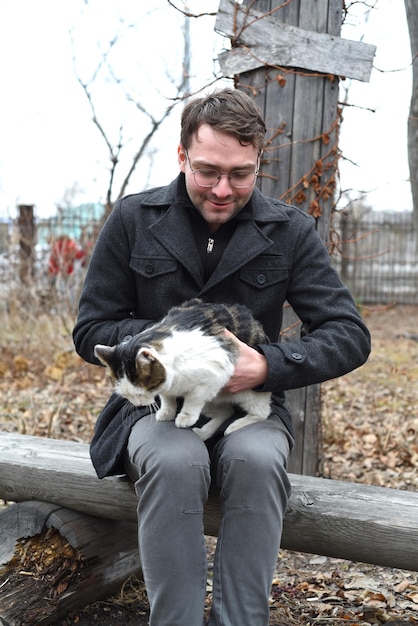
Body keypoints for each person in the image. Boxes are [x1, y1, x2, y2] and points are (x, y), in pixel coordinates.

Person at [73, 88, 371, 626]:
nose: (222, 189)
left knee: (256, 461)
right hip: (154, 409)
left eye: (241, 174)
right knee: (174, 459)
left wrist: (269, 365)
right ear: (182, 155)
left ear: (259, 162)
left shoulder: (289, 230)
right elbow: (91, 328)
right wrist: (171, 345)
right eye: (208, 170)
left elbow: (349, 334)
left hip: (248, 406)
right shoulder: (134, 219)